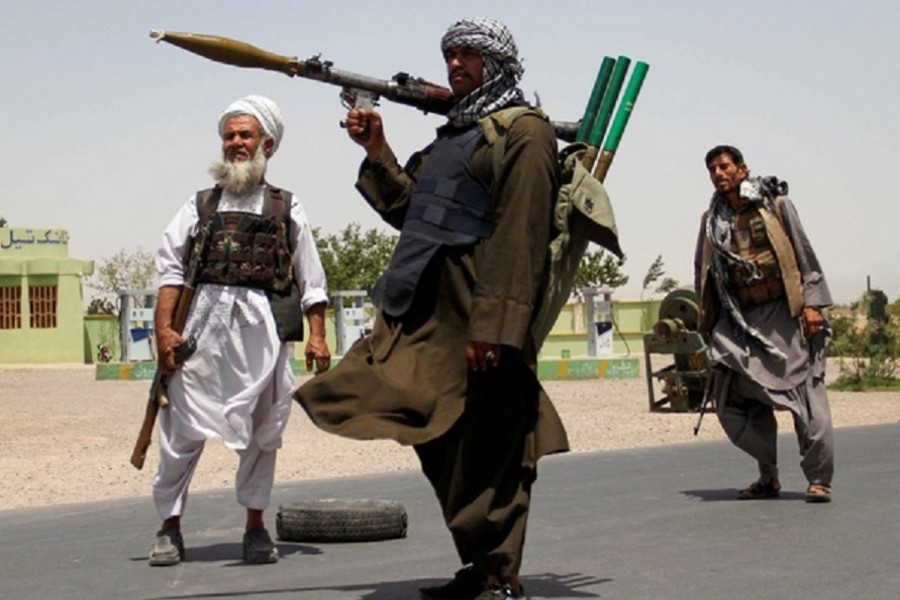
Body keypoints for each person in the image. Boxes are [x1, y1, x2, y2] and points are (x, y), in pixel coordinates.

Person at [294, 17, 568, 600]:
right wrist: (377, 149)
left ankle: (499, 571)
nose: (454, 65)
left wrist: (495, 326)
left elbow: (521, 237)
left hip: (477, 312)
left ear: (496, 63)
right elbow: (412, 212)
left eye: (468, 55)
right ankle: (480, 561)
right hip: (420, 311)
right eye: (449, 56)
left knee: (489, 437)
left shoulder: (525, 133)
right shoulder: (452, 137)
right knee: (433, 434)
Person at [148, 95, 331, 566]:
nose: (235, 143)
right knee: (179, 431)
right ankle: (169, 527)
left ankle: (255, 527)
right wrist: (164, 333)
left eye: (245, 135)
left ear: (267, 143)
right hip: (200, 335)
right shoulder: (200, 206)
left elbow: (312, 279)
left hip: (260, 336)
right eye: (229, 135)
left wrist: (317, 334)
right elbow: (170, 269)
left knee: (261, 431)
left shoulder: (285, 206)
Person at [694, 144, 834, 504]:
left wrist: (813, 305)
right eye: (712, 169)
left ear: (742, 169)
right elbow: (703, 271)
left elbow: (804, 255)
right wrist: (707, 320)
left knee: (806, 396)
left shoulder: (776, 207)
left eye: (724, 166)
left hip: (783, 316)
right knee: (733, 394)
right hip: (740, 320)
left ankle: (819, 478)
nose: (718, 173)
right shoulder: (710, 220)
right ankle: (767, 476)